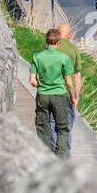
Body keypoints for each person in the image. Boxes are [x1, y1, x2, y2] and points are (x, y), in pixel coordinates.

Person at [30, 28, 76, 158]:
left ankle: (47, 156)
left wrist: (43, 85)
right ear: (58, 43)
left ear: (46, 41)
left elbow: (32, 81)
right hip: (59, 96)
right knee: (62, 128)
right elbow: (68, 82)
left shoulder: (37, 56)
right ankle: (61, 157)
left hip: (42, 95)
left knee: (43, 127)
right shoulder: (64, 58)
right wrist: (72, 96)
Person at [56, 22, 82, 152]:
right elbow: (77, 77)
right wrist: (76, 97)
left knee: (51, 126)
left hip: (48, 93)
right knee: (66, 128)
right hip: (66, 94)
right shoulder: (74, 50)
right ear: (69, 35)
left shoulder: (49, 48)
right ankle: (65, 156)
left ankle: (54, 155)